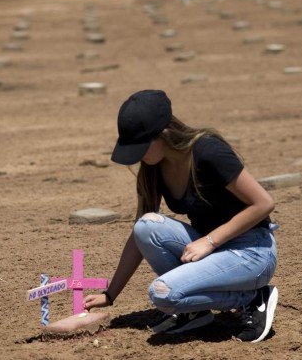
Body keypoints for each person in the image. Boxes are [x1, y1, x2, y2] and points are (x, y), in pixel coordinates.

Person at [83, 89, 278, 343]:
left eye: (141, 146)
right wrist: (110, 294)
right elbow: (138, 236)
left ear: (163, 133)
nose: (138, 156)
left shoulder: (209, 151)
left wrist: (210, 241)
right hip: (212, 249)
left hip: (253, 252)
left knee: (162, 294)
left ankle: (253, 299)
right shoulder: (153, 167)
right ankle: (194, 311)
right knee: (145, 226)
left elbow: (264, 203)